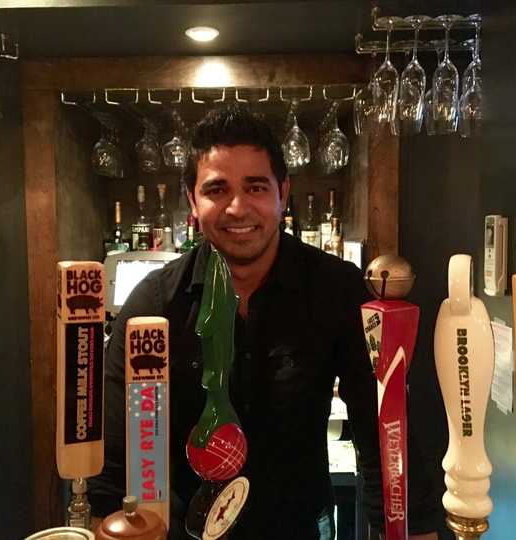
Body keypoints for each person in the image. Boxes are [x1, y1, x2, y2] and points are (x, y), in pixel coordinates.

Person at [89, 104, 441, 539]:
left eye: (256, 187)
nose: (238, 208)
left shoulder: (335, 289)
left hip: (299, 528)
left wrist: (413, 530)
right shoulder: (155, 305)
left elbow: (382, 435)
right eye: (217, 189)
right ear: (192, 202)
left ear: (283, 193)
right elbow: (114, 466)